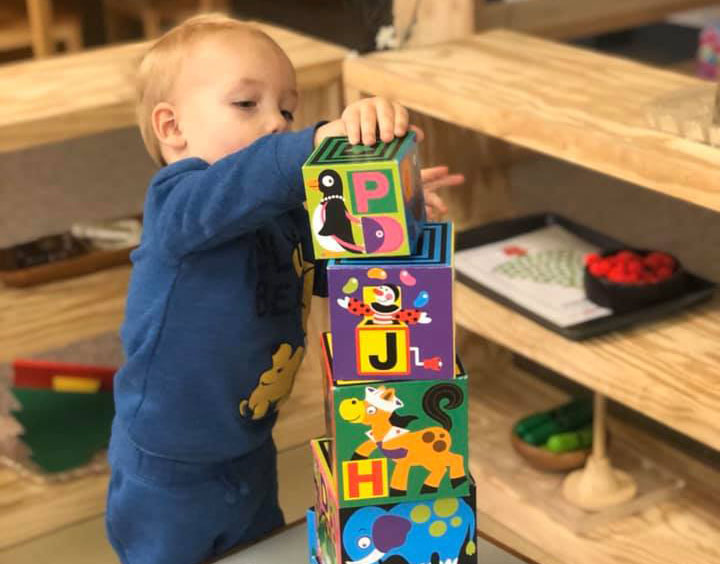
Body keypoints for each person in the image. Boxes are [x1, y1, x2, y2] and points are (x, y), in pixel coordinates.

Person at [106, 14, 464, 564]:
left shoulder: (285, 216)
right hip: (169, 467)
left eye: (288, 109)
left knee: (261, 549)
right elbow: (250, 178)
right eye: (247, 104)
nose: (276, 123)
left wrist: (395, 203)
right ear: (172, 128)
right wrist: (315, 141)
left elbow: (353, 276)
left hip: (249, 444)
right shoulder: (176, 206)